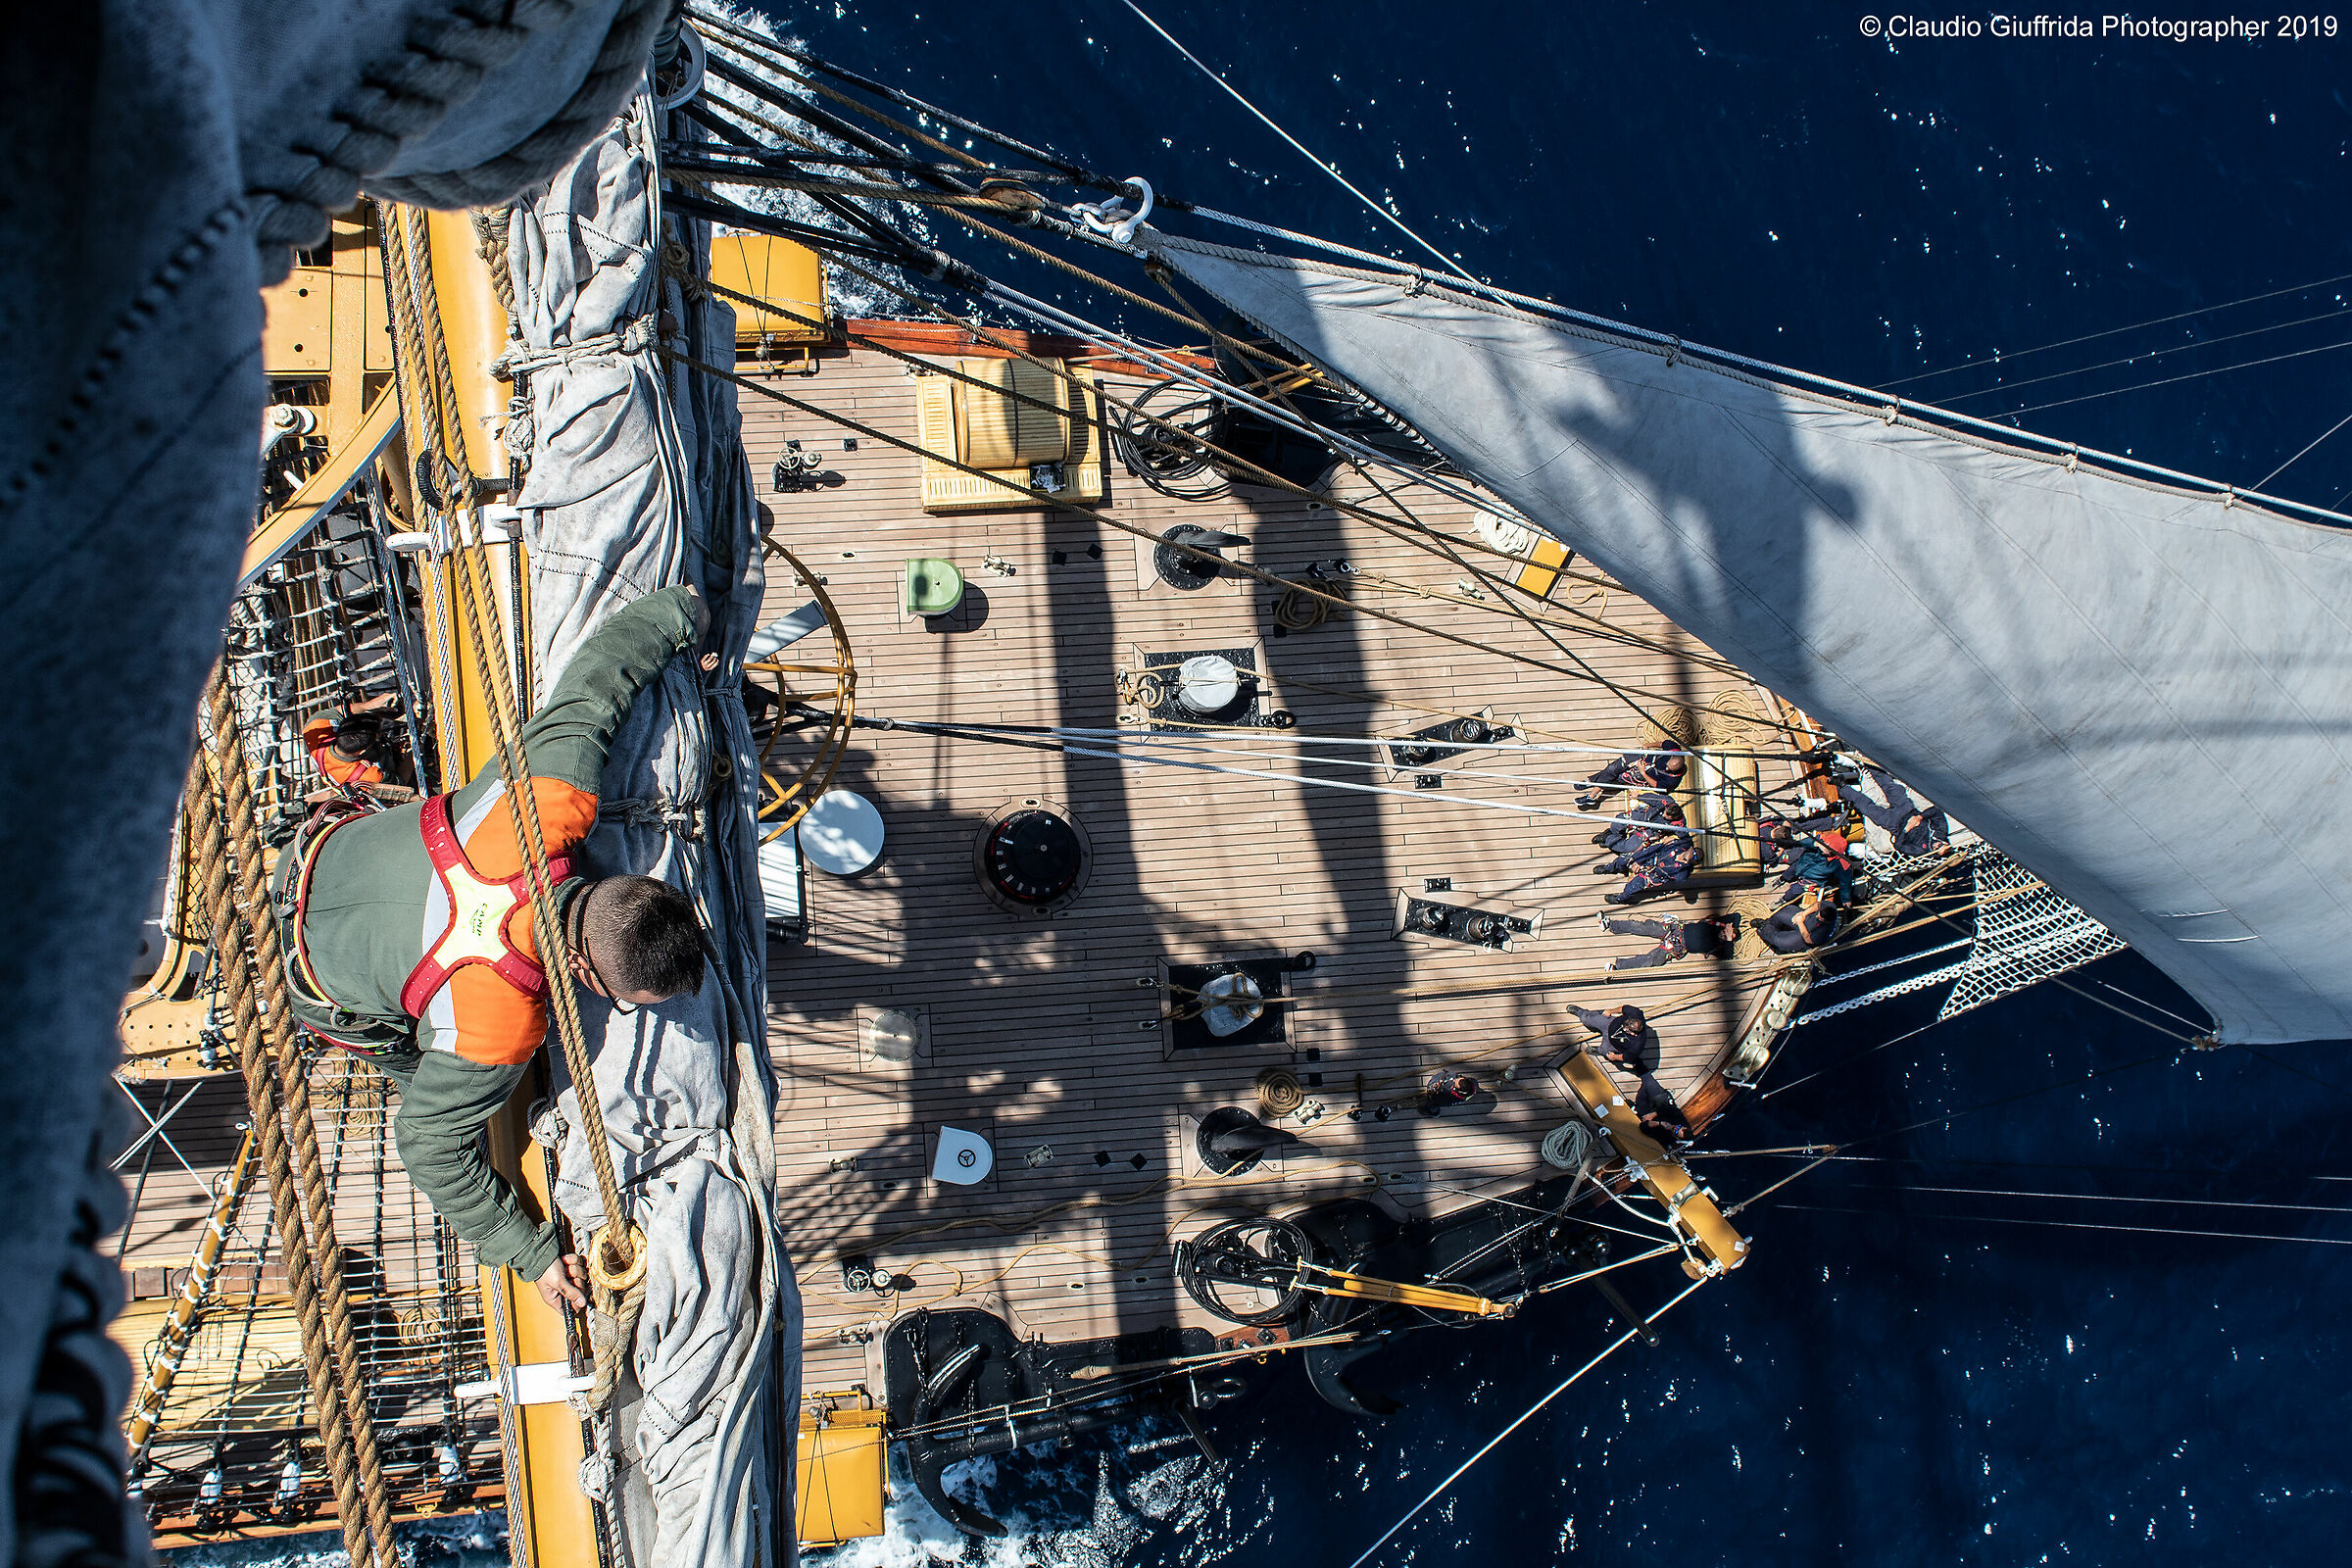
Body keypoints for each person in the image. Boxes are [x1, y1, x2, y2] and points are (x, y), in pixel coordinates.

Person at [272, 585, 710, 1311]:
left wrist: (680, 615)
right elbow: (426, 1147)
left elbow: (599, 676)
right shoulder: (503, 1025)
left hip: (311, 858)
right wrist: (529, 1254)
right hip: (311, 985)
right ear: (582, 973)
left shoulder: (544, 805)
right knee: (428, 1088)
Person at [301, 690, 406, 798]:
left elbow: (339, 711)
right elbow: (402, 783)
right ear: (363, 751)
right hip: (383, 774)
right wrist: (417, 741)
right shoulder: (370, 777)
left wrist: (369, 705)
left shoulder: (316, 728)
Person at [1852, 764, 1952, 857]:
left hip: (1895, 824)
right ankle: (1868, 764)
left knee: (1870, 808)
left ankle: (1843, 787)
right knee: (1892, 788)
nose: (1936, 846)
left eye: (1936, 849)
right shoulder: (1941, 831)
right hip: (1907, 811)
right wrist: (1919, 817)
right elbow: (1936, 812)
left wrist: (1906, 830)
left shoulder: (1921, 851)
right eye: (1939, 845)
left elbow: (1899, 846)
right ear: (1945, 842)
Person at [1600, 912, 1740, 970]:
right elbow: (1737, 916)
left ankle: (1618, 966)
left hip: (1677, 947)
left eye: (1731, 936)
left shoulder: (1721, 946)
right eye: (1731, 932)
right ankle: (1611, 924)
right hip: (1675, 930)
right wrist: (1729, 927)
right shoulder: (1718, 924)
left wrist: (1728, 939)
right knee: (1643, 927)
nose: (1728, 935)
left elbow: (1729, 957)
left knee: (1652, 960)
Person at [1596, 829, 1701, 905]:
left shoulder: (1682, 872)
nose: (1683, 855)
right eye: (1687, 852)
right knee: (1622, 860)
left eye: (1686, 857)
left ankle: (1621, 898)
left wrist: (1684, 864)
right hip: (1649, 858)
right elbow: (1655, 849)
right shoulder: (1679, 846)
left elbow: (1681, 880)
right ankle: (1610, 868)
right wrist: (1637, 860)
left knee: (1632, 887)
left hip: (1652, 874)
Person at [1575, 745, 1688, 811]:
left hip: (1642, 775)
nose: (1667, 769)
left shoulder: (1673, 780)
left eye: (1670, 770)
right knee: (1612, 769)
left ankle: (1591, 787)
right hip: (1641, 757)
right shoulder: (1674, 750)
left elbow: (1657, 786)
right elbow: (1663, 743)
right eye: (1668, 765)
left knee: (1618, 777)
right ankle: (1592, 792)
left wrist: (1643, 773)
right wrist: (1648, 745)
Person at [1573, 1003, 1659, 1076]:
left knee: (1605, 1052)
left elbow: (1625, 1057)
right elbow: (1622, 1009)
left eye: (1626, 1029)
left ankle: (1599, 1050)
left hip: (1613, 1044)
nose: (1623, 1028)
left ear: (1633, 1033)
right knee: (1586, 1018)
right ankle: (1580, 1012)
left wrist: (1614, 1057)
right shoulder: (1635, 1013)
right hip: (1609, 1024)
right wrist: (1610, 1011)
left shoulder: (1637, 1046)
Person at [1760, 881, 1840, 954]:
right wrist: (1803, 914)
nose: (1817, 916)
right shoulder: (1830, 906)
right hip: (1806, 919)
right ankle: (1770, 923)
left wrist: (1800, 922)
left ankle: (1763, 929)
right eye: (1818, 914)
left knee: (1781, 942)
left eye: (1819, 918)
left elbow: (1808, 939)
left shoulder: (1824, 932)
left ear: (1826, 921)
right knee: (1783, 913)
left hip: (1805, 935)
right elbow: (1817, 905)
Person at [1634, 1074, 1690, 1144]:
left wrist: (1659, 1124)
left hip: (1649, 1114)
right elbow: (1671, 1109)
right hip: (1660, 1107)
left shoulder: (1666, 1138)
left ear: (1676, 1137)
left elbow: (1643, 1127)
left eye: (1675, 1131)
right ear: (1684, 1127)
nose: (1675, 1128)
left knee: (1642, 1095)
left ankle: (1643, 1076)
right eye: (1678, 1127)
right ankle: (1640, 1068)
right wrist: (1654, 1114)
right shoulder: (1682, 1122)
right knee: (1650, 1083)